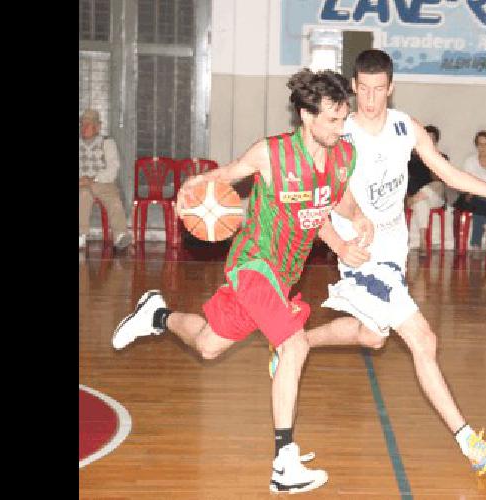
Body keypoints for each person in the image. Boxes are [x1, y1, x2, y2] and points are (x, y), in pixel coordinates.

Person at [280, 49, 486, 477]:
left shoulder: (406, 127)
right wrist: (347, 226)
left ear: (391, 88)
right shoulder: (339, 132)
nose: (370, 99)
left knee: (372, 336)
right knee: (423, 340)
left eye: (379, 90)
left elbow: (451, 175)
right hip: (362, 251)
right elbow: (322, 192)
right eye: (363, 90)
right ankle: (471, 443)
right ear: (353, 87)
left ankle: (297, 343)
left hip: (394, 248)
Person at [110, 68, 373, 495]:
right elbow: (224, 176)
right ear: (306, 116)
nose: (339, 128)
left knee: (210, 345)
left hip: (284, 276)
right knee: (295, 343)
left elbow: (329, 203)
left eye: (344, 119)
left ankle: (156, 314)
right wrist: (195, 186)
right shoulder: (271, 154)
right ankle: (283, 461)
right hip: (254, 263)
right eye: (331, 120)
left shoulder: (344, 155)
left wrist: (354, 227)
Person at [79, 109, 133, 250]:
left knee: (113, 199)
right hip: (81, 183)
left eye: (87, 124)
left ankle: (120, 235)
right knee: (83, 194)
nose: (83, 128)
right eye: (82, 124)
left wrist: (93, 179)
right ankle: (81, 235)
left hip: (102, 182)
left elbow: (113, 168)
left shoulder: (107, 143)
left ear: (97, 127)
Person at [405, 125, 455, 250]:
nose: (430, 141)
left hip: (436, 197)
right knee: (422, 203)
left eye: (433, 139)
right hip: (419, 197)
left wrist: (432, 158)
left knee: (437, 185)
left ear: (436, 142)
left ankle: (414, 199)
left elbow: (440, 180)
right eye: (427, 138)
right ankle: (423, 241)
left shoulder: (441, 157)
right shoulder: (410, 158)